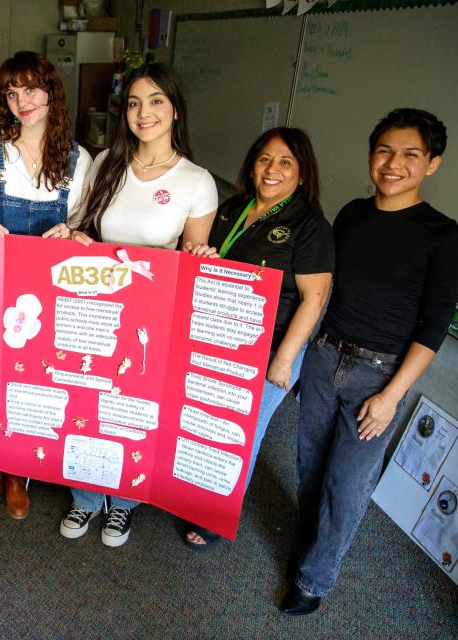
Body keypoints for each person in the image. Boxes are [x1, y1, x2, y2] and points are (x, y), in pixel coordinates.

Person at [281, 109, 458, 615]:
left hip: (378, 375)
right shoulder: (352, 216)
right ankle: (308, 548)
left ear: (432, 163)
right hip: (324, 359)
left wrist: (390, 397)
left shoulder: (443, 238)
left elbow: (433, 330)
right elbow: (325, 290)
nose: (393, 164)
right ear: (371, 156)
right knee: (311, 465)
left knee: (348, 482)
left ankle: (314, 580)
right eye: (384, 151)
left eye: (410, 154)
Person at [66, 62, 218, 547]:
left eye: (155, 101)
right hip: (96, 306)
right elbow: (86, 230)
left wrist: (198, 257)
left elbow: (191, 263)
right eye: (134, 102)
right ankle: (87, 499)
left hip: (151, 318)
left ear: (175, 110)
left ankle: (124, 505)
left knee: (133, 410)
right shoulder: (106, 161)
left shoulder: (197, 181)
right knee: (85, 399)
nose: (143, 112)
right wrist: (76, 239)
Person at [0, 50, 92, 530]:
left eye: (30, 89)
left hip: (47, 299)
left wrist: (73, 236)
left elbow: (85, 232)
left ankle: (17, 474)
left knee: (32, 385)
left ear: (52, 92)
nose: (21, 102)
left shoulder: (78, 159)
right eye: (11, 93)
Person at [180, 128, 334, 549]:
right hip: (218, 335)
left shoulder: (309, 226)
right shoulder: (233, 208)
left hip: (270, 347)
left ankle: (216, 514)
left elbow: (313, 299)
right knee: (207, 420)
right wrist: (200, 256)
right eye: (265, 159)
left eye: (285, 162)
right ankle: (197, 492)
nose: (272, 169)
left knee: (240, 432)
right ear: (252, 164)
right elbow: (204, 262)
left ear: (302, 174)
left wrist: (284, 359)